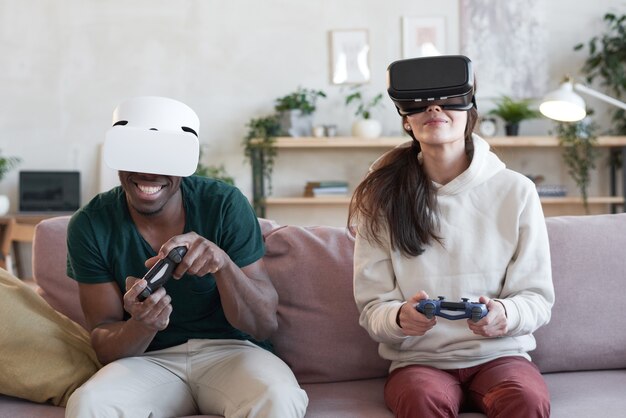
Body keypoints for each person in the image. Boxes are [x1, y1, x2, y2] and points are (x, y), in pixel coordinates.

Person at [65, 96, 308, 418]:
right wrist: (141, 324)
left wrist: (223, 264)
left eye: (164, 158)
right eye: (135, 154)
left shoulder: (224, 204)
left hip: (233, 352)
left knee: (278, 397)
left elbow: (263, 325)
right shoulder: (90, 223)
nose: (149, 172)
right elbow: (104, 342)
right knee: (90, 404)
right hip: (147, 360)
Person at [349, 56, 554, 418]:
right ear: (406, 120)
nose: (433, 108)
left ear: (470, 109)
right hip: (419, 361)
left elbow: (537, 297)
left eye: (446, 100)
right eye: (421, 104)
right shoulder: (383, 198)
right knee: (420, 399)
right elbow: (372, 308)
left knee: (526, 400)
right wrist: (399, 318)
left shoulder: (517, 192)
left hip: (500, 354)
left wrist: (506, 313)